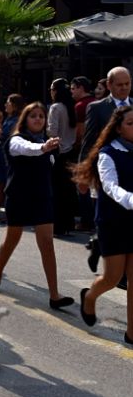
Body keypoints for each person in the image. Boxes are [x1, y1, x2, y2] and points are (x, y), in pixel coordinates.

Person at [0, 102, 75, 309]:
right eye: (33, 115)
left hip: (42, 198)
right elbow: (29, 149)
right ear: (25, 119)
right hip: (19, 197)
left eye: (41, 116)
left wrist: (46, 148)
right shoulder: (16, 140)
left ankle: (54, 295)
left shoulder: (48, 142)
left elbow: (48, 162)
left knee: (47, 243)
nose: (38, 119)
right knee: (11, 240)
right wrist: (43, 148)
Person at [74, 106, 133, 346]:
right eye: (130, 123)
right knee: (112, 277)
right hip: (113, 221)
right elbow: (110, 186)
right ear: (118, 127)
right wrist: (131, 200)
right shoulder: (107, 153)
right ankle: (89, 296)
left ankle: (131, 333)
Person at [79, 67, 132, 286]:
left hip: (130, 170)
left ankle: (100, 245)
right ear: (109, 85)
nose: (124, 88)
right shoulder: (98, 108)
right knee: (111, 213)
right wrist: (84, 174)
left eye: (127, 83)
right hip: (106, 169)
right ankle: (110, 258)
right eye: (119, 84)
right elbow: (89, 141)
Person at [47, 78, 77, 235]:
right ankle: (68, 224)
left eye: (52, 89)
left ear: (56, 91)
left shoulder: (56, 107)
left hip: (58, 152)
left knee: (57, 191)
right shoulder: (71, 106)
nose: (50, 92)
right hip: (71, 150)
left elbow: (52, 132)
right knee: (69, 189)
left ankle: (58, 226)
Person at [0, 94, 26, 223]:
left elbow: (3, 135)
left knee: (7, 184)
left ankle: (9, 213)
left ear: (15, 105)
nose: (5, 105)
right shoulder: (10, 118)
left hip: (8, 157)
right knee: (0, 183)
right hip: (2, 155)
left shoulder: (16, 120)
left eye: (8, 102)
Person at [71, 76, 96, 231]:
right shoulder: (96, 103)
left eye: (73, 88)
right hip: (99, 150)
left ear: (81, 87)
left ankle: (87, 220)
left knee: (82, 187)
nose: (72, 92)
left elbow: (79, 133)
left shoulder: (80, 106)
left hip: (85, 151)